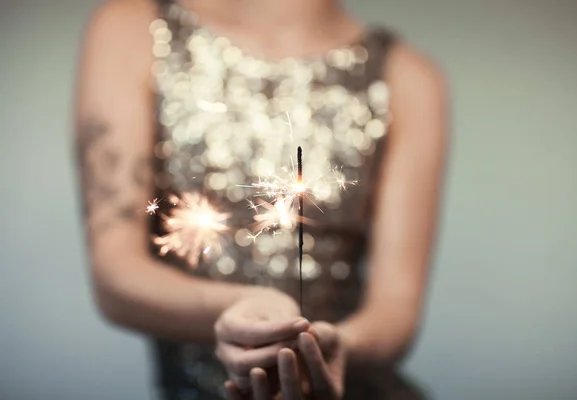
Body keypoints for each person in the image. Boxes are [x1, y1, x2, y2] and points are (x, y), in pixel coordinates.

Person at [75, 0, 447, 398]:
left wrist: (322, 349)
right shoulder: (135, 29)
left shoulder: (409, 78)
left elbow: (395, 313)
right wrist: (248, 307)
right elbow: (116, 276)